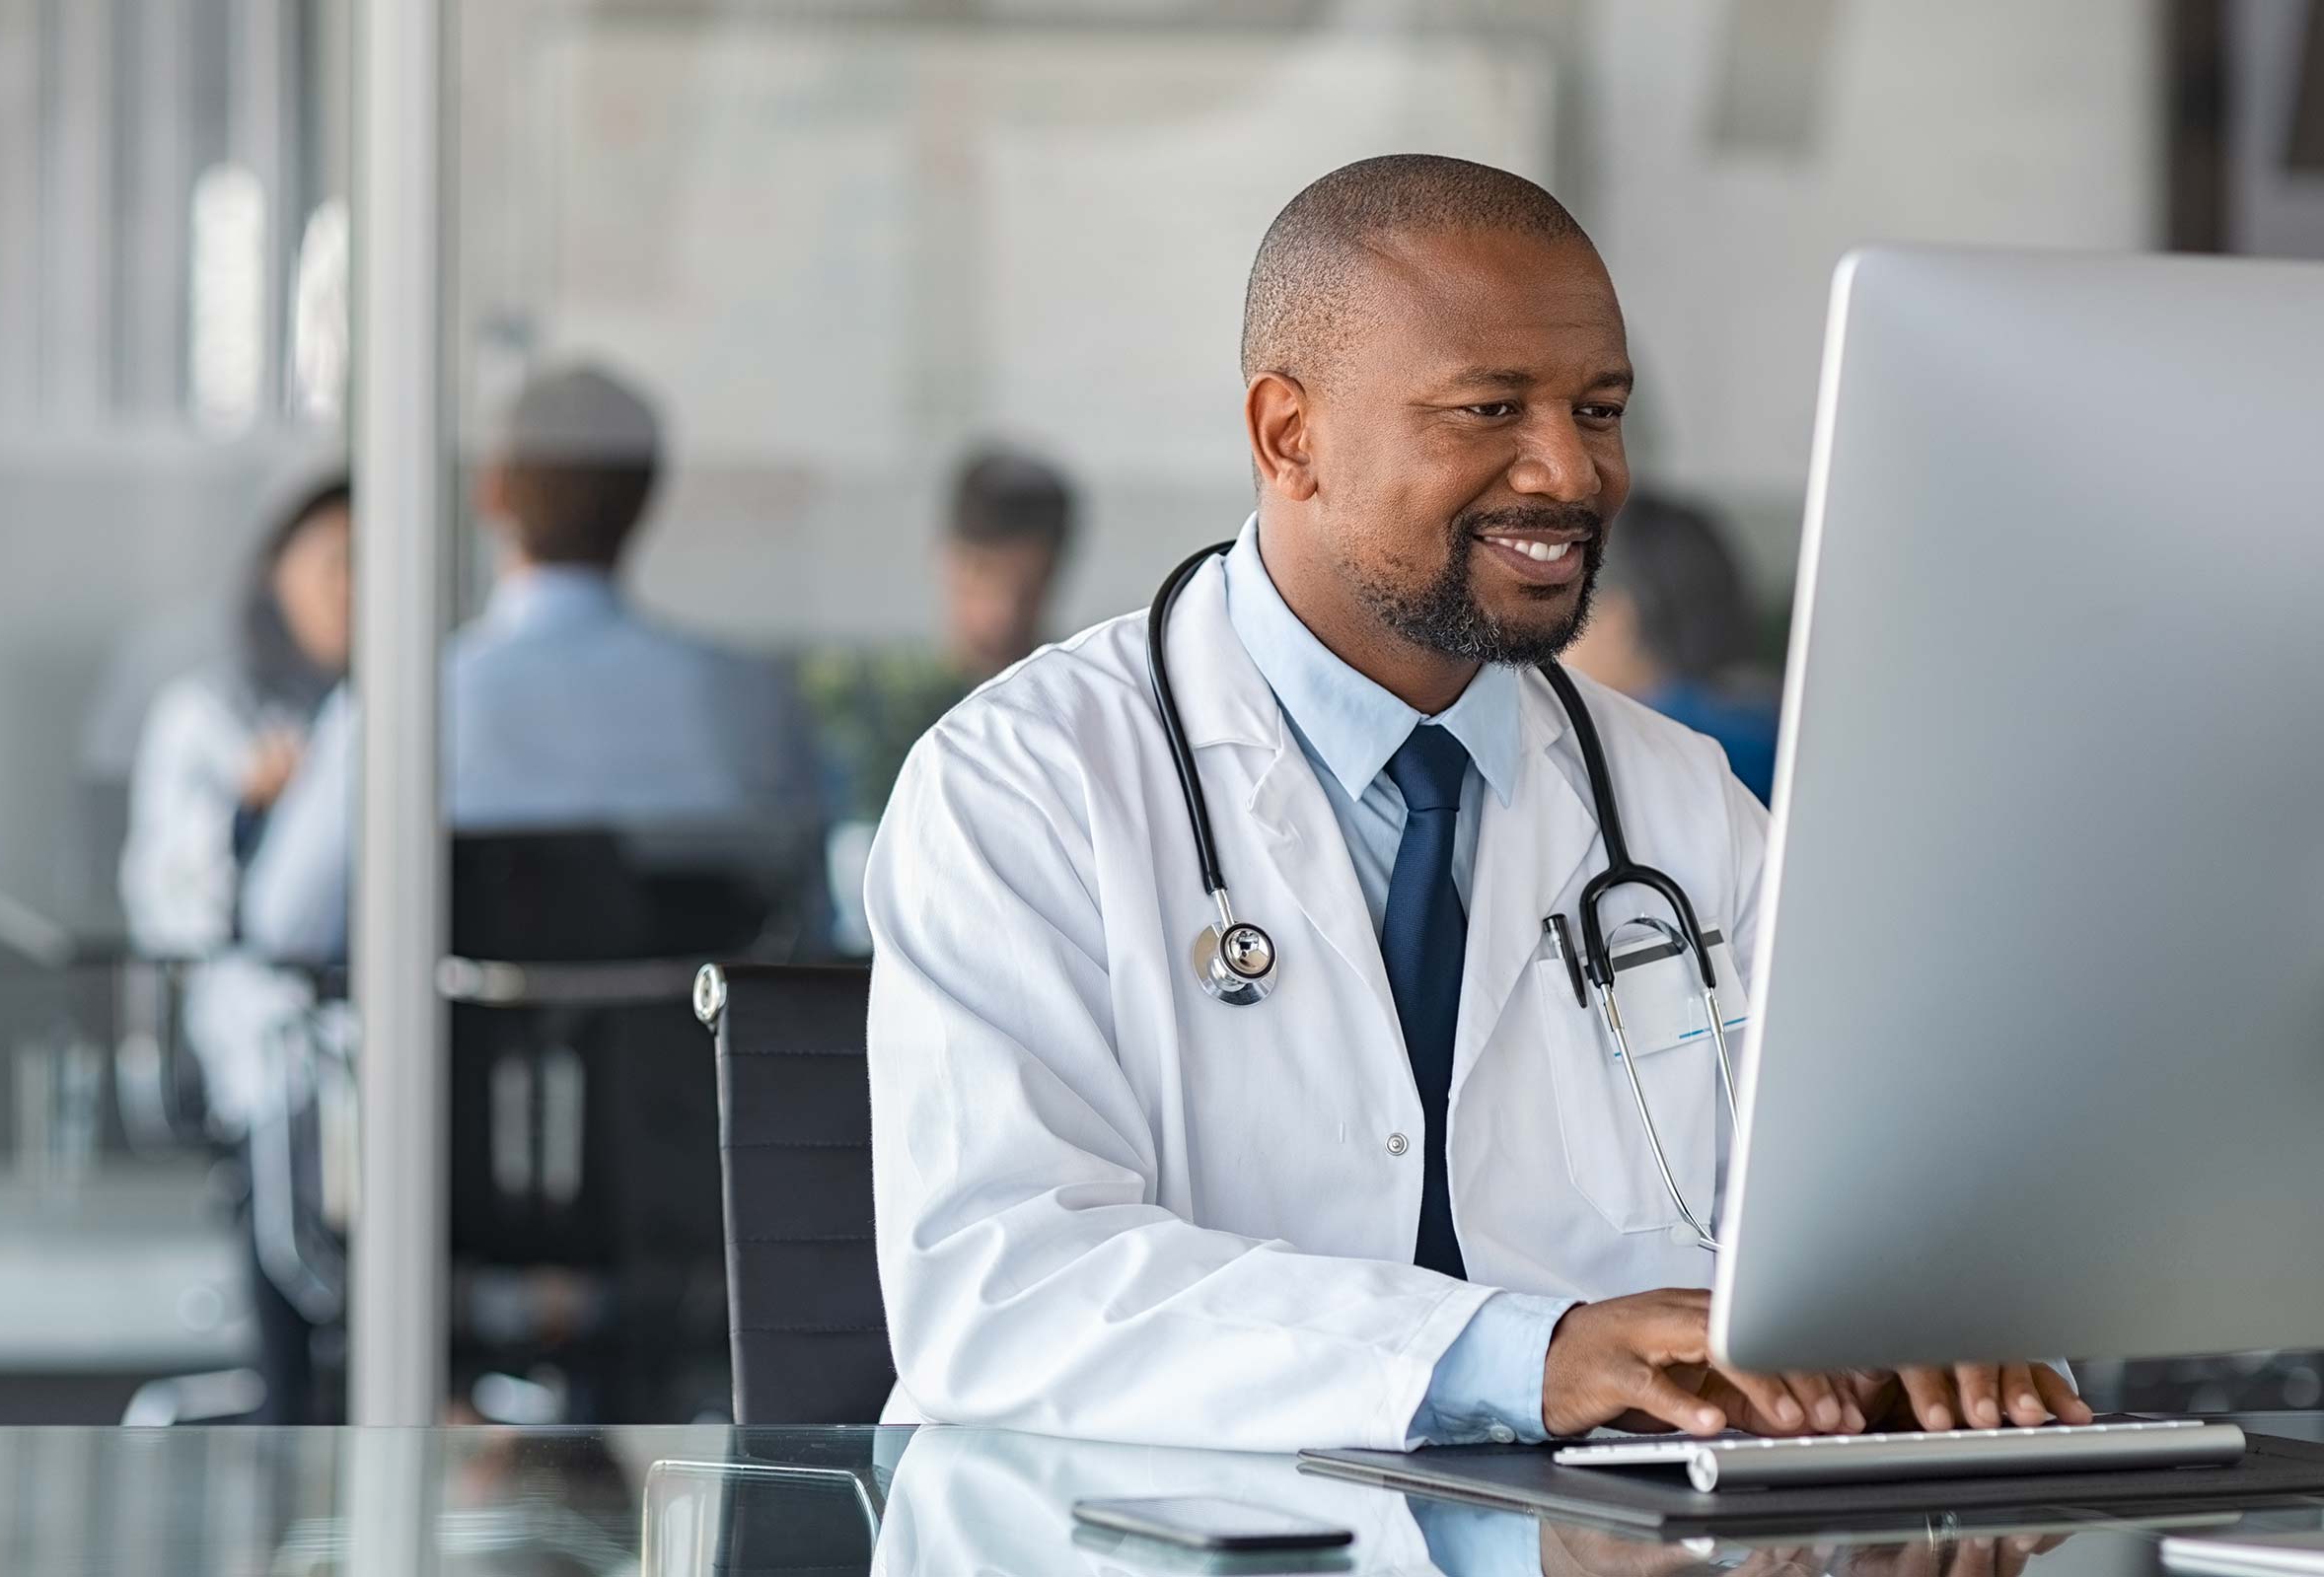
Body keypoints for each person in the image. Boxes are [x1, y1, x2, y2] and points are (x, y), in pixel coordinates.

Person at [863, 155, 2088, 1452]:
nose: (1568, 471)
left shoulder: (1680, 809)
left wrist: (1930, 1324)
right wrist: (1519, 1352)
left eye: (1600, 410)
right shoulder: (1025, 785)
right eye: (1490, 407)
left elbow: (1876, 1214)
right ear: (1291, 435)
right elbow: (1009, 1286)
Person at [241, 362, 819, 962]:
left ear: (491, 492)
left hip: (462, 1056)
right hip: (688, 1053)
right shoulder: (752, 702)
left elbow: (287, 925)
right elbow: (809, 921)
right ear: (645, 501)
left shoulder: (411, 700)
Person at [120, 459, 353, 1128]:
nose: (353, 590)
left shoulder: (395, 713)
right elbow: (168, 905)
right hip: (264, 1034)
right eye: (335, 562)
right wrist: (245, 817)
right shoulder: (203, 715)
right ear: (275, 572)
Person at [802, 446, 1076, 951]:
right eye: (981, 573)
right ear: (945, 558)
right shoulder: (872, 708)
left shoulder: (1079, 711)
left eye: (1026, 586)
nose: (1001, 612)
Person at [1565, 491, 1781, 802]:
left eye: (1565, 603)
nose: (1552, 649)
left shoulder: (1616, 757)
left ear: (1616, 622)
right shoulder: (1771, 734)